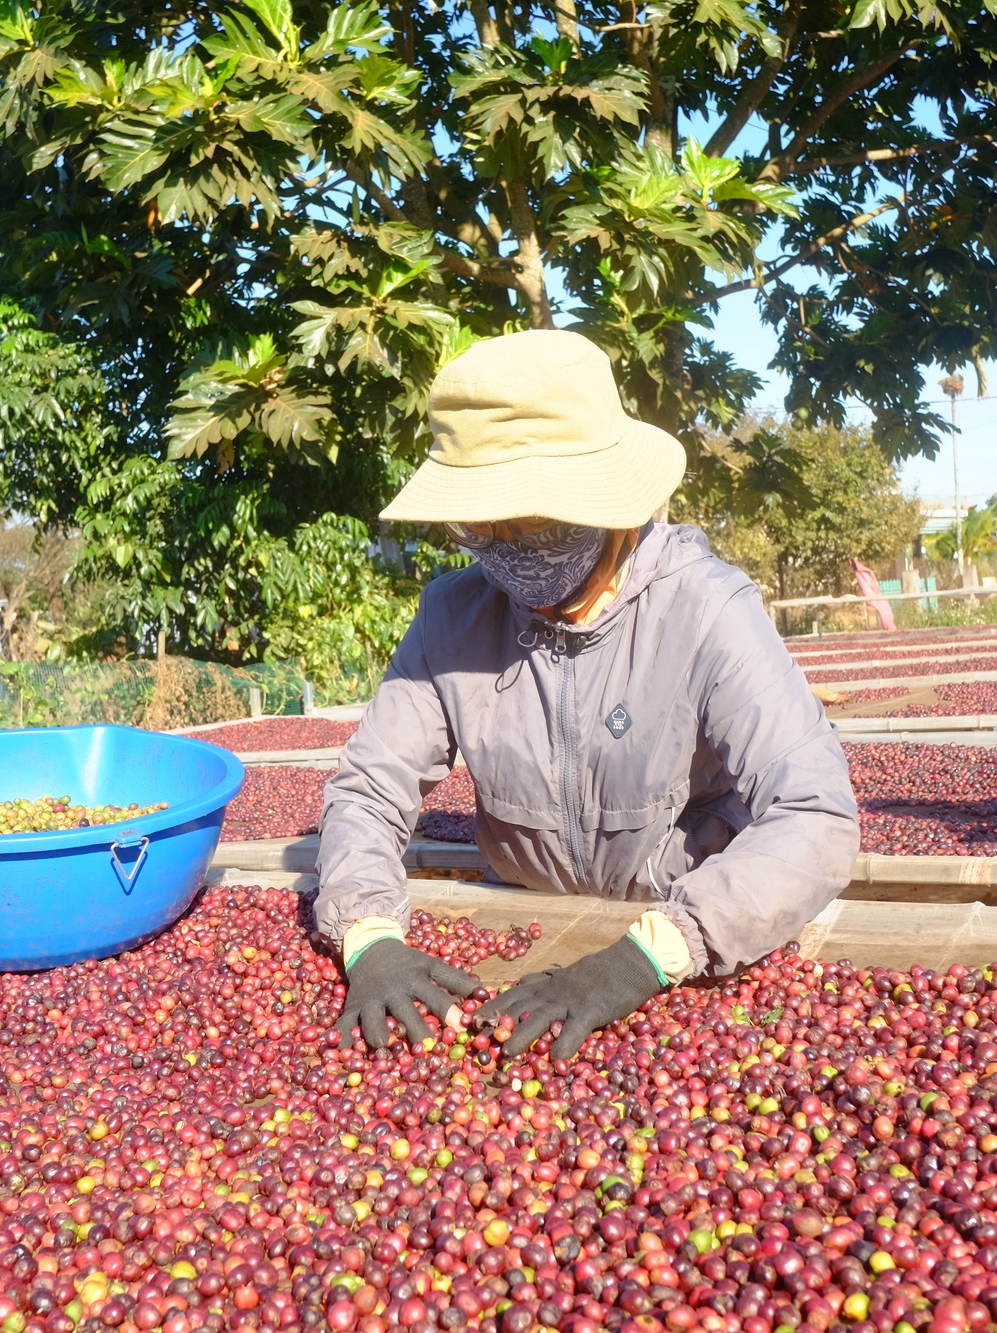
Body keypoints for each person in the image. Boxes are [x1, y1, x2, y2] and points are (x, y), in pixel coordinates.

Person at [318, 329, 860, 1060]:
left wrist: (649, 955)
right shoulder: (452, 618)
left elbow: (817, 818)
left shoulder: (705, 609)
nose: (508, 541)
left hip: (688, 942)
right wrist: (369, 936)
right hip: (527, 926)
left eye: (536, 520)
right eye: (484, 523)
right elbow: (366, 791)